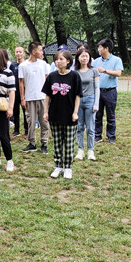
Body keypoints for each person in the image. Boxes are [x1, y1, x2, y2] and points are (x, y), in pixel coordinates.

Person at [42, 50, 82, 179]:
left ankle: (68, 167)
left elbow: (77, 96)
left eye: (61, 59)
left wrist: (75, 112)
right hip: (54, 114)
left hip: (70, 115)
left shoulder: (75, 76)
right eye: (56, 59)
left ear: (68, 61)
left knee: (69, 143)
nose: (58, 62)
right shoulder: (52, 76)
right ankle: (58, 166)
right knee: (57, 142)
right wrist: (46, 111)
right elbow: (47, 95)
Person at [19, 41, 50, 153]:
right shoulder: (23, 66)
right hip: (30, 97)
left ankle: (44, 143)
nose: (42, 52)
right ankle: (32, 143)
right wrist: (22, 98)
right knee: (31, 122)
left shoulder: (44, 65)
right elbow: (21, 83)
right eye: (40, 50)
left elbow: (48, 81)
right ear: (33, 52)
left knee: (44, 121)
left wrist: (48, 97)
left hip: (42, 97)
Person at [94, 38, 123, 144]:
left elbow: (118, 73)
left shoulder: (116, 60)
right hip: (98, 91)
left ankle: (111, 136)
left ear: (106, 48)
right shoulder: (96, 61)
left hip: (110, 91)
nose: (98, 49)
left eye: (100, 47)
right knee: (97, 115)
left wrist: (104, 71)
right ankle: (97, 135)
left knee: (110, 115)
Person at [74, 49, 100, 161]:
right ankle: (80, 150)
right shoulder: (75, 72)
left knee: (90, 127)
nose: (84, 58)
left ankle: (90, 150)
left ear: (89, 58)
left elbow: (97, 87)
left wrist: (96, 104)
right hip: (78, 100)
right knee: (79, 127)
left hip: (90, 100)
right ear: (78, 58)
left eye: (86, 56)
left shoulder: (94, 71)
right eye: (82, 56)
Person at [10, 45, 28, 138]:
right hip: (14, 91)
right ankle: (16, 130)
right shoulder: (12, 65)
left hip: (25, 92)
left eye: (20, 52)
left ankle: (27, 131)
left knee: (26, 112)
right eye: (17, 52)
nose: (18, 54)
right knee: (15, 112)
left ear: (24, 53)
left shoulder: (27, 64)